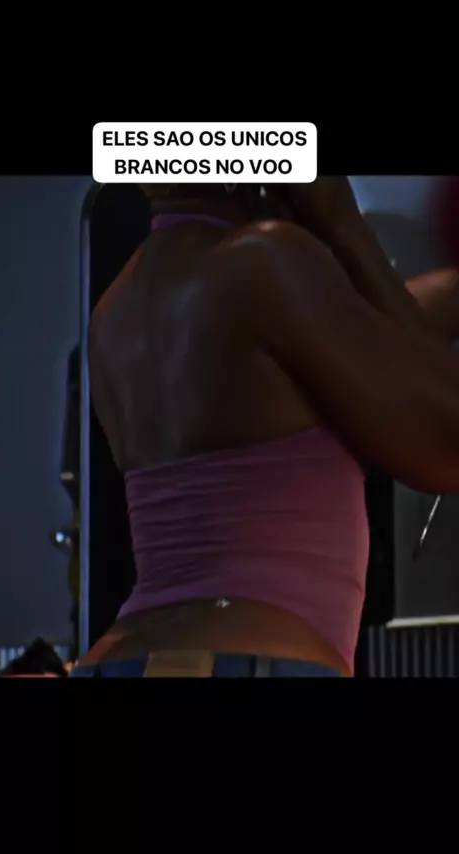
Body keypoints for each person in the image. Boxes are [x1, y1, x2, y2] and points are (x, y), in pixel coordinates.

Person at [70, 179, 459, 678]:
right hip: (254, 659)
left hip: (119, 663)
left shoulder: (115, 310)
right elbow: (444, 444)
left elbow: (371, 343)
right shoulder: (269, 259)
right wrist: (343, 225)